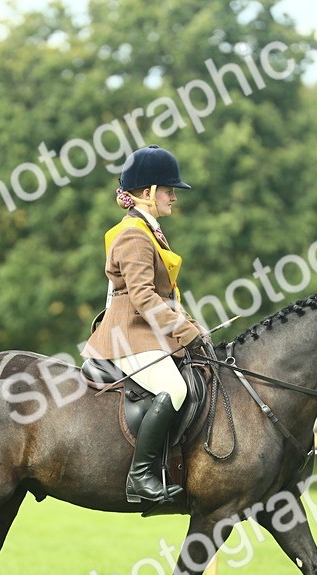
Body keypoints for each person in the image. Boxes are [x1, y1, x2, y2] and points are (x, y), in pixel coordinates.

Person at [82, 145, 210, 504]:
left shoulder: (149, 231)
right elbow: (142, 297)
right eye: (169, 190)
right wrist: (186, 332)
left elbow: (164, 296)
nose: (173, 197)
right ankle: (140, 477)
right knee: (176, 389)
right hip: (127, 335)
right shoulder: (134, 234)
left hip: (145, 332)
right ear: (148, 193)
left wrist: (191, 325)